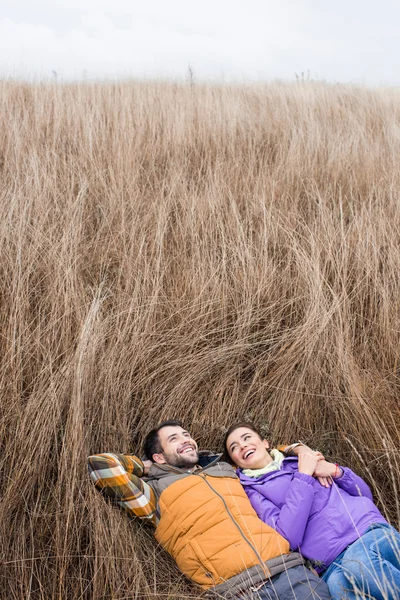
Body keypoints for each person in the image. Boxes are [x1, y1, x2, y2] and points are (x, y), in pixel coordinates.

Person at [88, 420, 331, 599]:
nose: (186, 440)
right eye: (174, 439)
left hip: (291, 574)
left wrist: (299, 449)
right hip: (238, 591)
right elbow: (101, 466)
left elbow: (261, 453)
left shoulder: (225, 469)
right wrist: (144, 465)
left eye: (186, 435)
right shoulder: (153, 493)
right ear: (159, 457)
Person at [224, 422, 400, 600]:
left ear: (265, 443)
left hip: (366, 531)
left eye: (246, 438)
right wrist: (304, 477)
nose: (243, 446)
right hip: (330, 563)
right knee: (337, 590)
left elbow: (364, 493)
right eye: (234, 447)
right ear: (236, 462)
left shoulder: (304, 458)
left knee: (359, 563)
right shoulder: (252, 493)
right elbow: (288, 537)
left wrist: (335, 470)